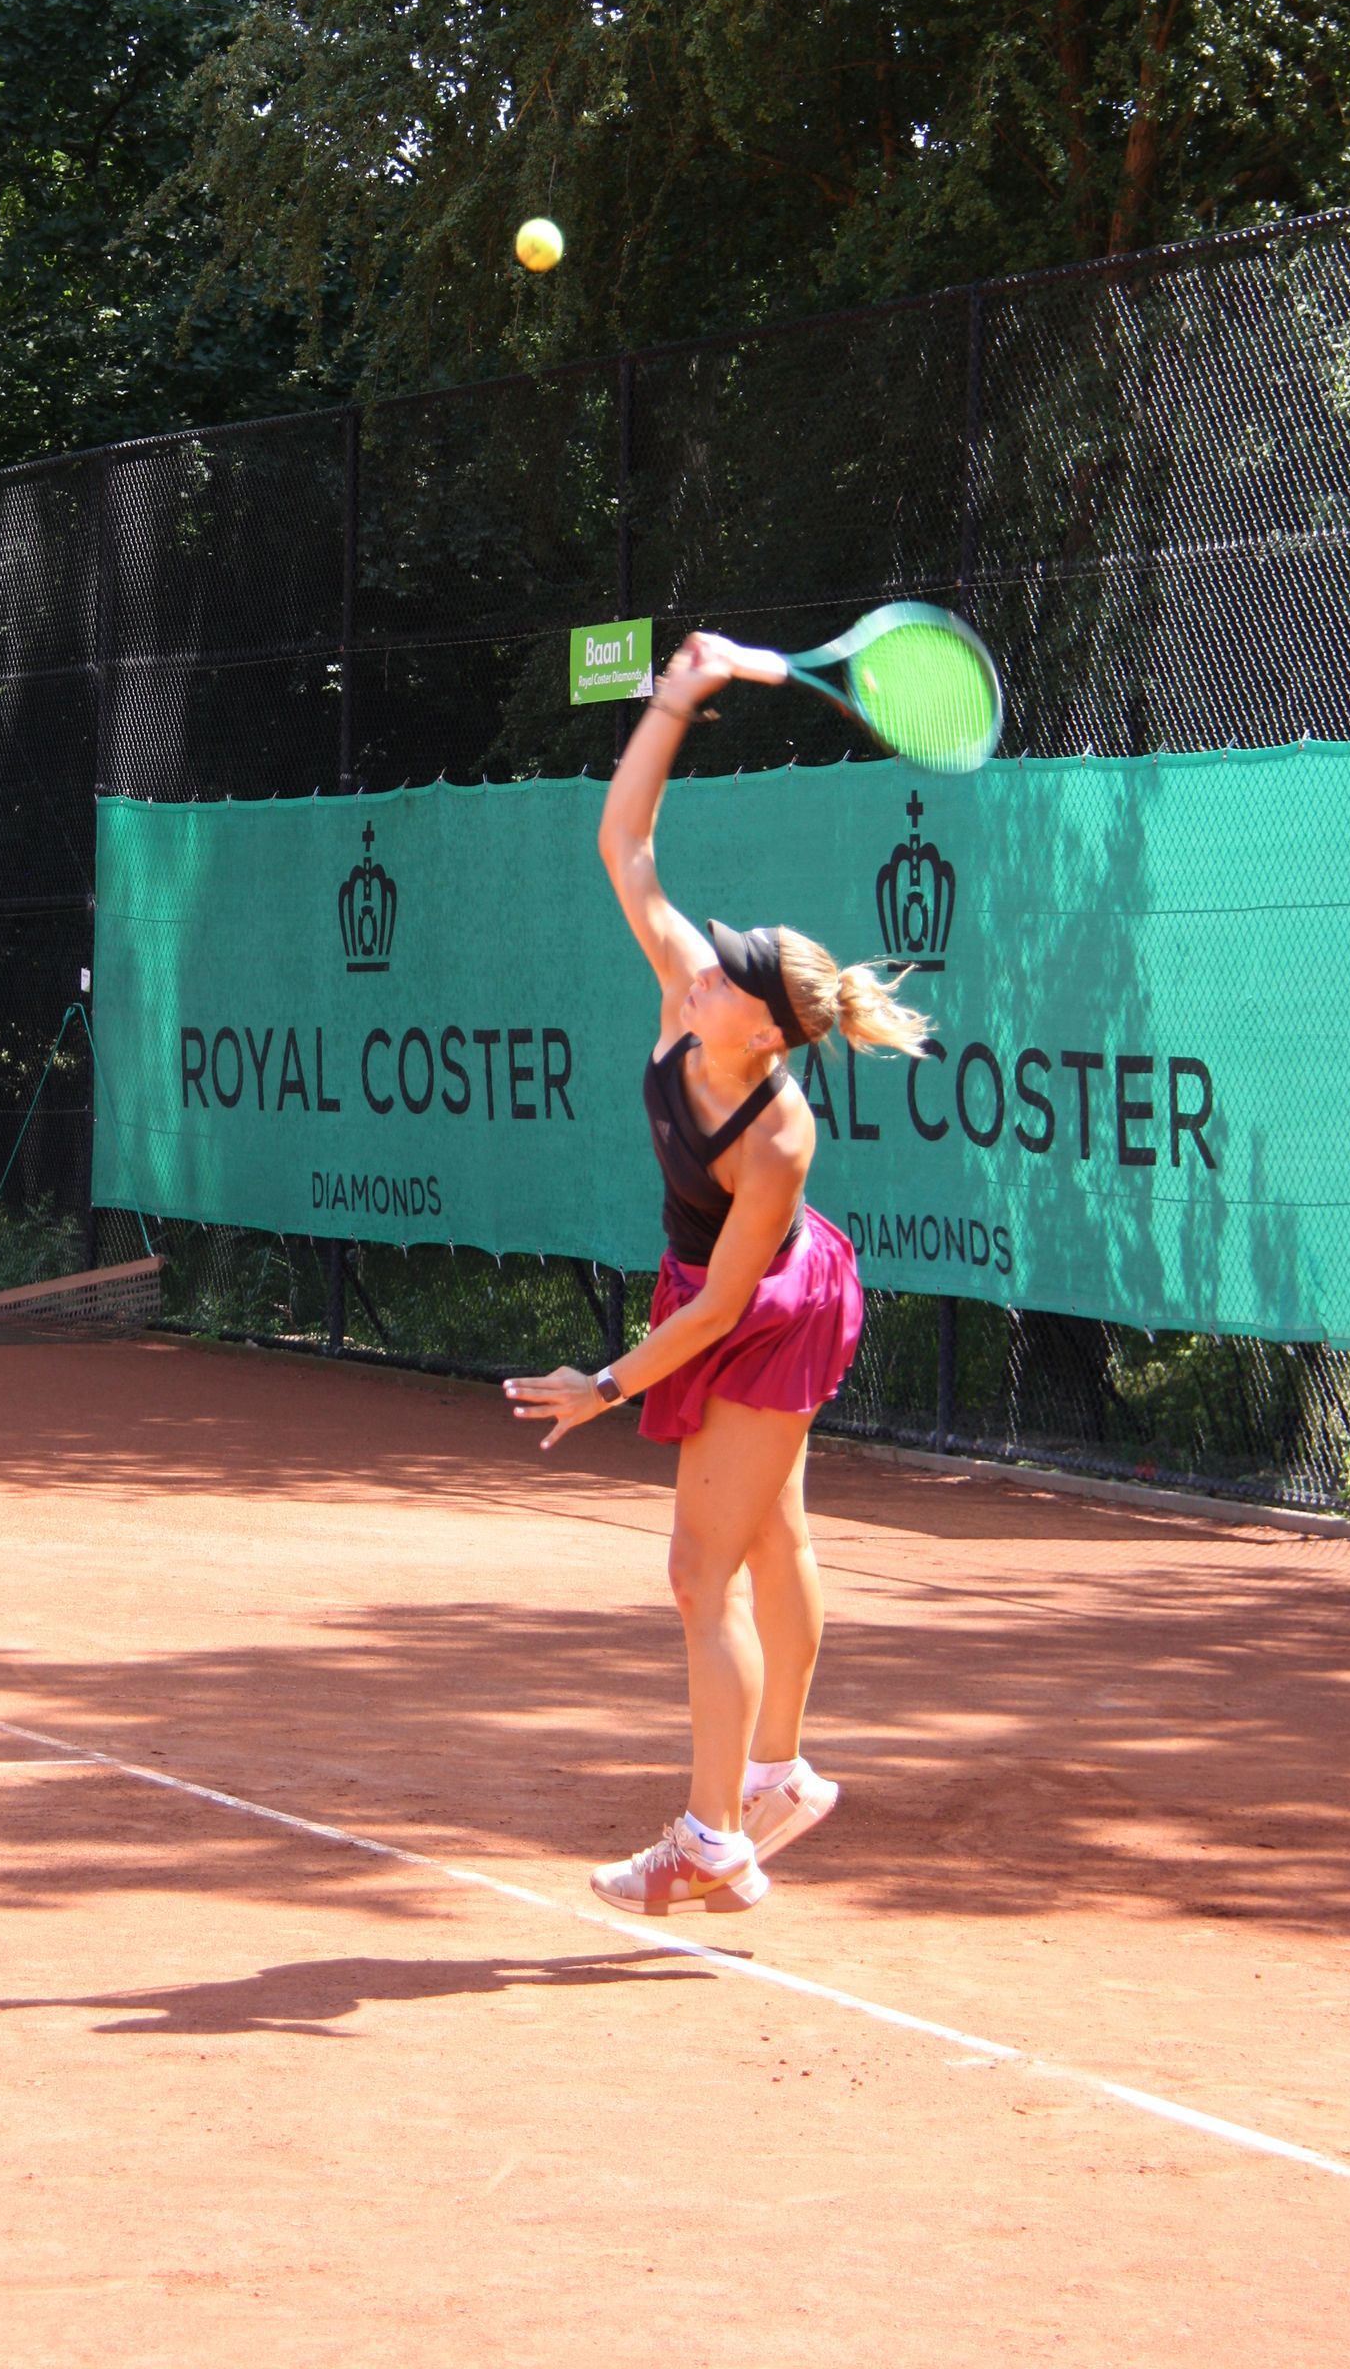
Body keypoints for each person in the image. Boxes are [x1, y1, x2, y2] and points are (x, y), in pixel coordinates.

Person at [503, 631, 931, 1917]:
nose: (704, 964)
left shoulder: (778, 1136)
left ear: (763, 1028)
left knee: (702, 1571)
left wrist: (605, 1384)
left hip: (771, 1307)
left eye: (730, 970)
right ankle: (780, 1775)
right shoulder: (689, 994)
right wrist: (679, 699)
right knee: (771, 1530)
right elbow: (625, 847)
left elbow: (728, 1308)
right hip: (717, 1291)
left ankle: (712, 1838)